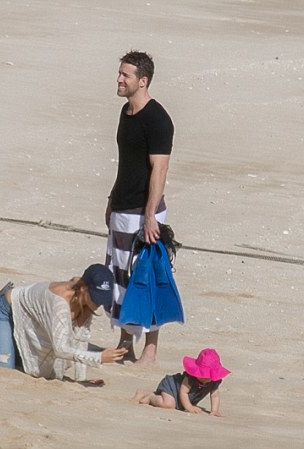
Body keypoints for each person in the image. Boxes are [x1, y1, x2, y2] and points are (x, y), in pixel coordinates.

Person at [105, 50, 175, 364]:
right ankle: (124, 343)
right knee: (119, 277)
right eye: (119, 73)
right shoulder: (125, 112)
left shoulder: (158, 120)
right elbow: (126, 163)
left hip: (145, 213)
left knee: (146, 276)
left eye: (126, 75)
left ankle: (151, 348)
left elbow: (159, 170)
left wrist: (150, 216)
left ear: (142, 81)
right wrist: (111, 200)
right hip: (122, 208)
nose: (119, 79)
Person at [0, 264, 128, 384]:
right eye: (96, 297)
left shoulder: (85, 303)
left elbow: (81, 340)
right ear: (83, 288)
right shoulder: (59, 302)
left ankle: (1, 343)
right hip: (5, 310)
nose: (99, 302)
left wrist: (81, 380)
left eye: (103, 298)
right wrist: (99, 357)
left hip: (30, 318)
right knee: (4, 371)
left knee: (37, 366)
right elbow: (61, 349)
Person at [132, 348, 231, 416]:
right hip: (172, 387)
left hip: (182, 398)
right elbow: (183, 391)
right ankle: (151, 397)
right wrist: (189, 407)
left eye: (208, 376)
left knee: (174, 404)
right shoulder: (190, 377)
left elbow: (215, 395)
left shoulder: (214, 381)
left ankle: (150, 394)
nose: (204, 378)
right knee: (168, 404)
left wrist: (214, 410)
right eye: (202, 375)